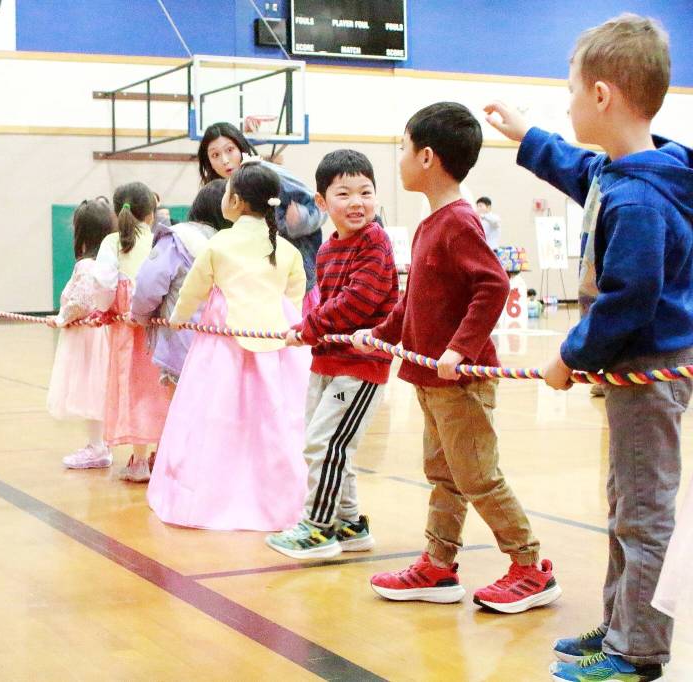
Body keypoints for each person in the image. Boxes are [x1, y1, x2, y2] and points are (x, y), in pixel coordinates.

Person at [486, 14, 692, 681]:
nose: (568, 102)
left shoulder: (640, 201)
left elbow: (628, 300)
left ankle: (636, 651)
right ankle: (620, 623)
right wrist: (528, 136)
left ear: (601, 96)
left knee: (644, 512)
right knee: (627, 503)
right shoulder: (626, 174)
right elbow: (582, 171)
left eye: (571, 90)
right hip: (635, 370)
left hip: (649, 372)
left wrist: (569, 356)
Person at [353, 102, 559, 614]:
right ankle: (438, 566)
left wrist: (459, 349)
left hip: (460, 382)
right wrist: (378, 334)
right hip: (431, 380)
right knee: (444, 474)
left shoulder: (460, 222)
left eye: (403, 148)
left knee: (477, 477)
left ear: (427, 157)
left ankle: (530, 567)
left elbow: (493, 286)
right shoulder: (431, 224)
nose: (399, 158)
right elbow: (413, 303)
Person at [146, 160, 311, 531]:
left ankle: (211, 497)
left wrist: (177, 319)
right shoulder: (286, 250)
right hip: (276, 349)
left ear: (235, 201)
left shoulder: (219, 244)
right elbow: (295, 298)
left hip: (222, 348)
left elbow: (194, 290)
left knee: (216, 415)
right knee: (275, 419)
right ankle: (279, 497)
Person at [266, 149, 399, 558]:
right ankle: (349, 523)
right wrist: (309, 330)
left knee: (326, 443)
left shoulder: (375, 241)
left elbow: (358, 301)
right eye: (344, 194)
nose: (357, 202)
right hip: (326, 362)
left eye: (365, 192)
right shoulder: (325, 251)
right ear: (322, 202)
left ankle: (318, 528)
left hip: (360, 367)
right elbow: (327, 303)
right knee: (330, 443)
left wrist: (310, 327)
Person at [197, 122, 327, 299]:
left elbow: (320, 205)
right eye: (215, 155)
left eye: (230, 150)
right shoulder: (220, 191)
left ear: (241, 147)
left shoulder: (269, 174)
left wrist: (300, 220)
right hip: (259, 285)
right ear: (209, 162)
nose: (225, 160)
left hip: (297, 283)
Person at [97, 182, 171, 482]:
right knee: (159, 389)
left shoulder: (112, 242)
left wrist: (105, 307)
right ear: (151, 213)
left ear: (117, 213)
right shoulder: (160, 239)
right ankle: (162, 456)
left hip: (127, 330)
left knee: (135, 389)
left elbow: (102, 283)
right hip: (159, 328)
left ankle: (139, 460)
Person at [130, 179, 232, 388]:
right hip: (227, 351)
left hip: (181, 347)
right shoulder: (235, 245)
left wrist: (140, 316)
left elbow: (148, 284)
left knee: (179, 407)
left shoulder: (177, 239)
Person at [46, 198, 118, 469]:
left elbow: (81, 301)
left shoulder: (87, 266)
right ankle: (101, 443)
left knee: (91, 389)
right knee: (97, 388)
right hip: (100, 335)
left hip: (89, 339)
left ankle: (97, 446)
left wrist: (62, 318)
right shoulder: (108, 263)